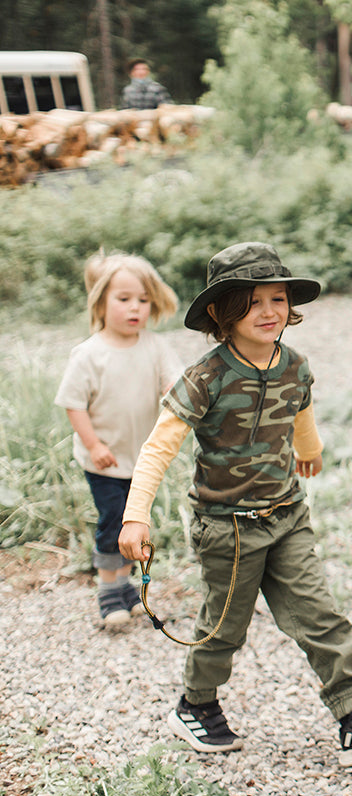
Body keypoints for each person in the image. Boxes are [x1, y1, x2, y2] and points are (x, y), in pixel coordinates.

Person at [117, 242, 352, 768]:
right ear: (219, 314)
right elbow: (160, 446)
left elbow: (301, 408)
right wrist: (135, 514)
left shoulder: (294, 365)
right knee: (223, 627)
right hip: (225, 526)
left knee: (319, 616)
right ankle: (196, 704)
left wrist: (310, 450)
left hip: (286, 514)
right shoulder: (205, 378)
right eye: (252, 302)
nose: (270, 312)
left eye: (278, 298)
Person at [55, 251, 183, 628]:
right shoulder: (89, 354)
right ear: (101, 302)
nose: (135, 308)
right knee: (114, 521)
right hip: (104, 460)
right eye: (124, 299)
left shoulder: (155, 347)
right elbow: (73, 405)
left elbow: (174, 382)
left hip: (142, 460)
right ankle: (108, 589)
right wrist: (94, 444)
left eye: (143, 300)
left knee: (136, 522)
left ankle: (127, 585)